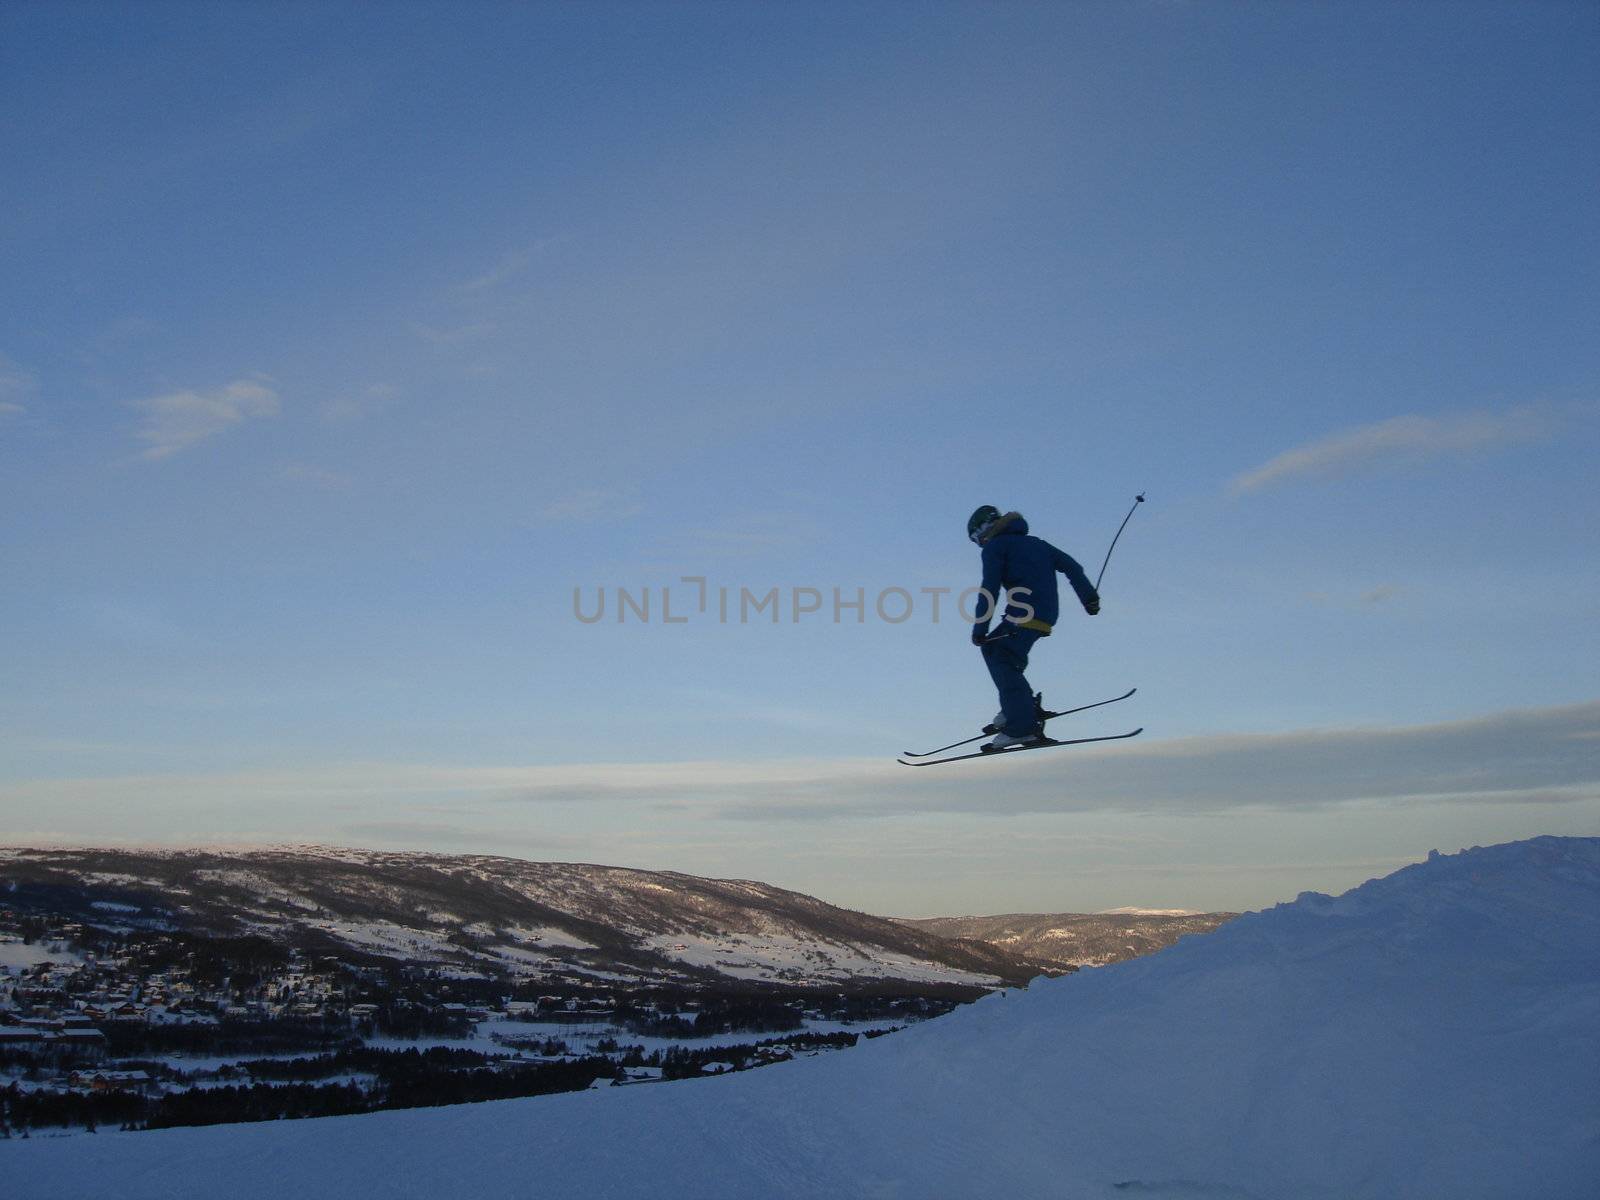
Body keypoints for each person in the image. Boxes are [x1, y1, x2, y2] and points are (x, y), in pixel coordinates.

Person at [966, 505, 1100, 749]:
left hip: (1023, 614)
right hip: (1045, 615)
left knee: (1001, 658)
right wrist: (1089, 598)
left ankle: (1020, 727)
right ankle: (1017, 706)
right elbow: (1073, 567)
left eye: (977, 540)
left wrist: (979, 627)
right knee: (996, 650)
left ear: (983, 531)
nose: (980, 545)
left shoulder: (996, 547)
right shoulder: (1038, 544)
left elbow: (990, 589)